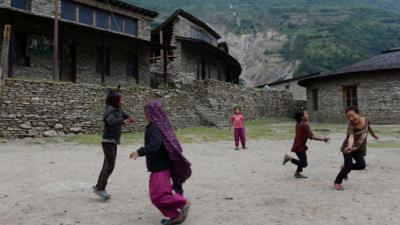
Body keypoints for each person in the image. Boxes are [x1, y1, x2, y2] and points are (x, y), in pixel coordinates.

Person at [130, 100, 191, 225]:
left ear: (151, 113)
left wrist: (140, 152)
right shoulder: (161, 126)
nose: (145, 115)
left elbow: (155, 144)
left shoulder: (154, 128)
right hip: (161, 167)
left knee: (157, 197)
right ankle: (175, 216)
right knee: (160, 195)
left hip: (160, 169)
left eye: (146, 112)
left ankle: (182, 202)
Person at [93, 86, 133, 200]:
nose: (122, 102)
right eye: (121, 100)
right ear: (115, 101)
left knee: (107, 164)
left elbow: (123, 114)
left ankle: (99, 187)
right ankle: (100, 188)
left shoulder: (117, 110)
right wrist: (123, 121)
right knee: (110, 165)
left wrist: (129, 117)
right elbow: (110, 121)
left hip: (112, 142)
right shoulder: (109, 110)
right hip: (108, 142)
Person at [333, 106, 379, 191]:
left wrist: (373, 135)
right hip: (348, 149)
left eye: (352, 115)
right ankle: (337, 182)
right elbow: (351, 137)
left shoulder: (365, 119)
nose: (350, 118)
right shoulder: (351, 126)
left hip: (358, 148)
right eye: (348, 117)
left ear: (358, 114)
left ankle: (345, 167)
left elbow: (368, 127)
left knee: (362, 165)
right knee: (348, 166)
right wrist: (350, 146)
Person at [282, 110, 330, 178]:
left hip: (298, 145)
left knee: (302, 160)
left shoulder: (298, 124)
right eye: (306, 114)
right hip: (299, 147)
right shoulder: (304, 124)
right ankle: (289, 158)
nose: (308, 115)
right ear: (302, 117)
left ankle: (297, 173)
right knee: (304, 163)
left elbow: (309, 134)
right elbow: (311, 137)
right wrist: (323, 139)